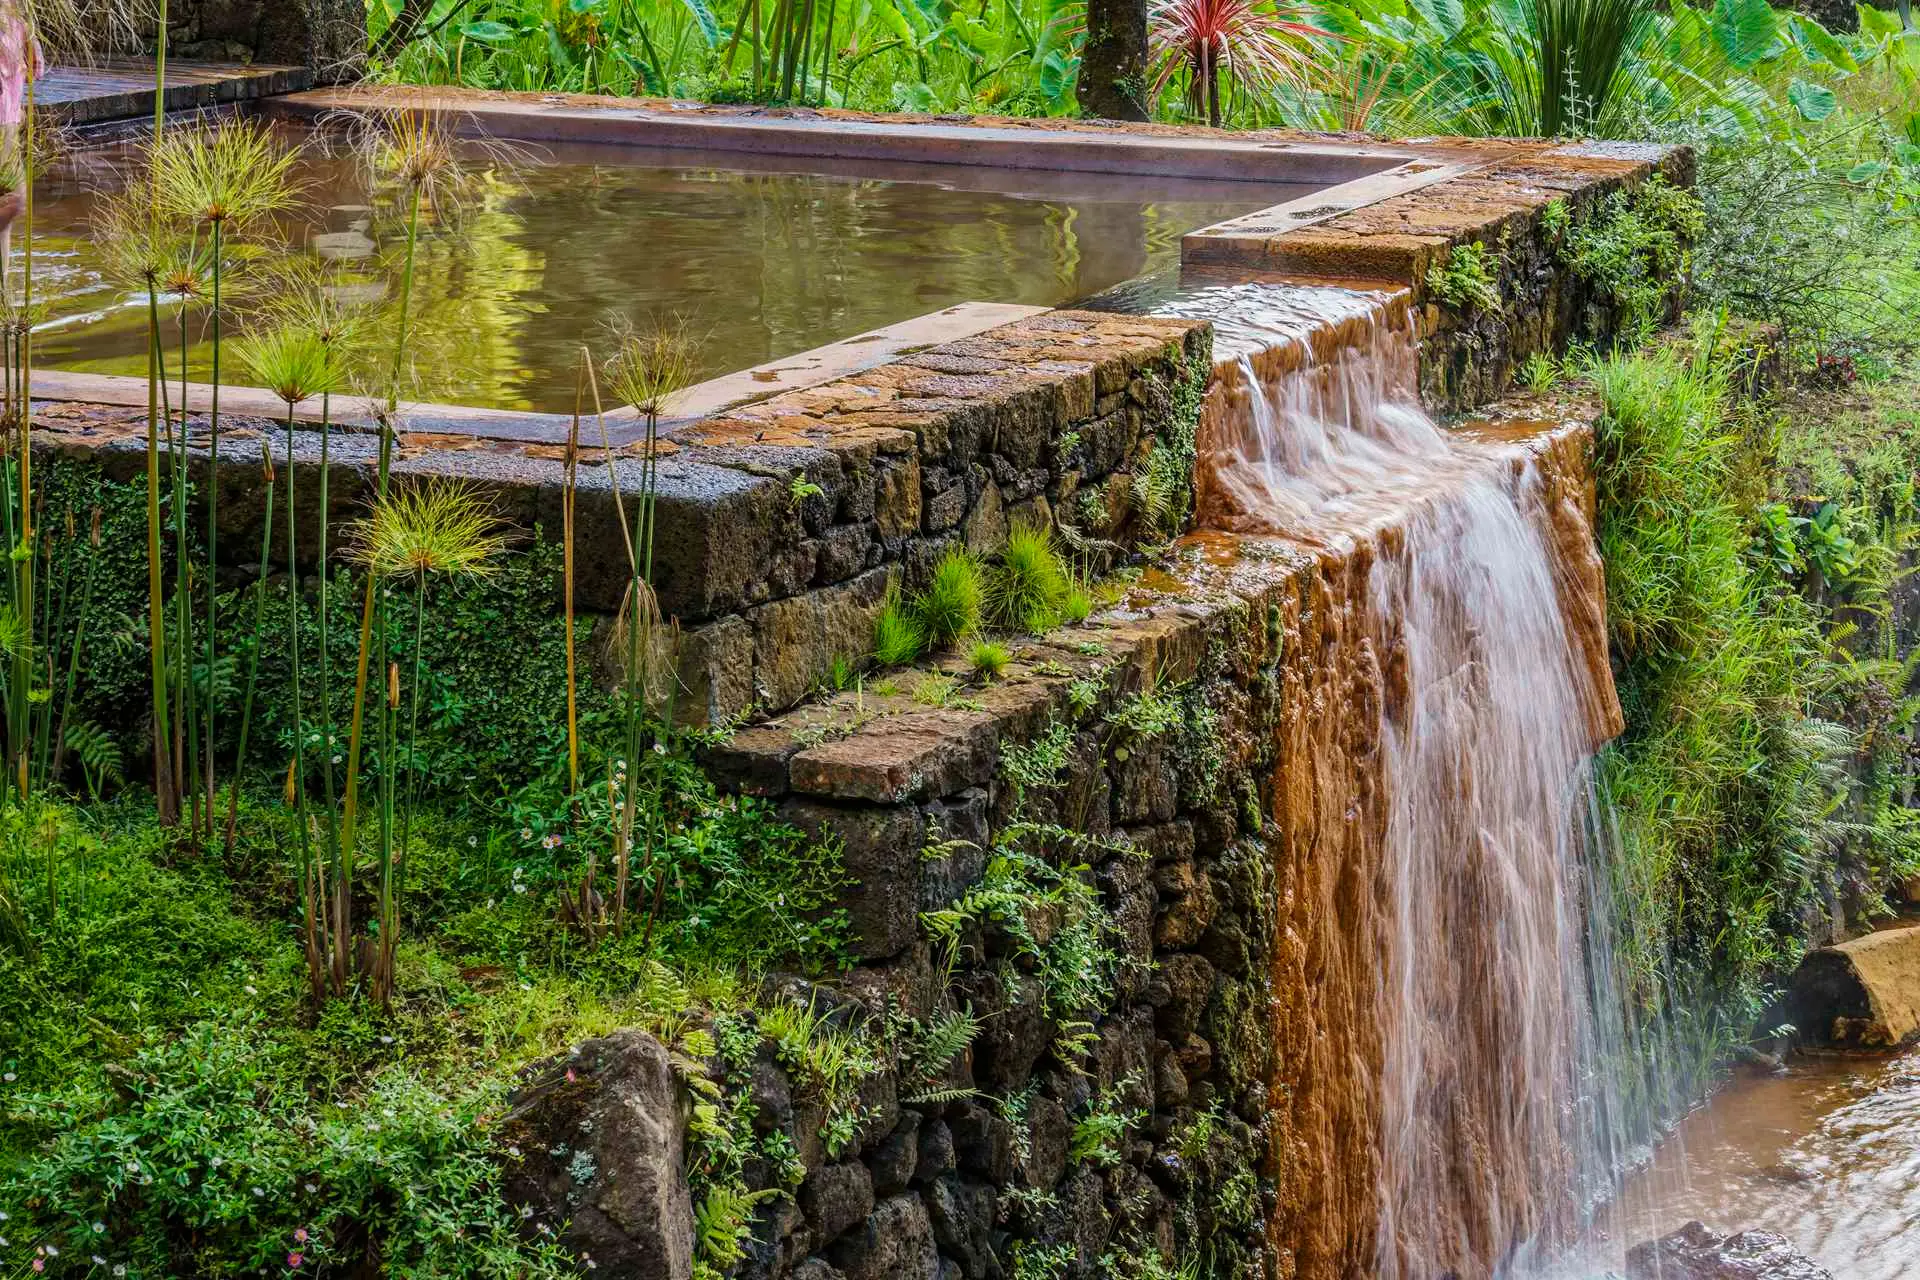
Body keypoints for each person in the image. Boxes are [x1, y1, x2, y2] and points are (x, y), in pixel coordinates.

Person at [0, 0, 44, 290]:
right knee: (11, 201)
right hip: (4, 123)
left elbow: (34, 70)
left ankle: (3, 293)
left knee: (10, 205)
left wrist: (30, 35)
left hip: (8, 122)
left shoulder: (16, 19)